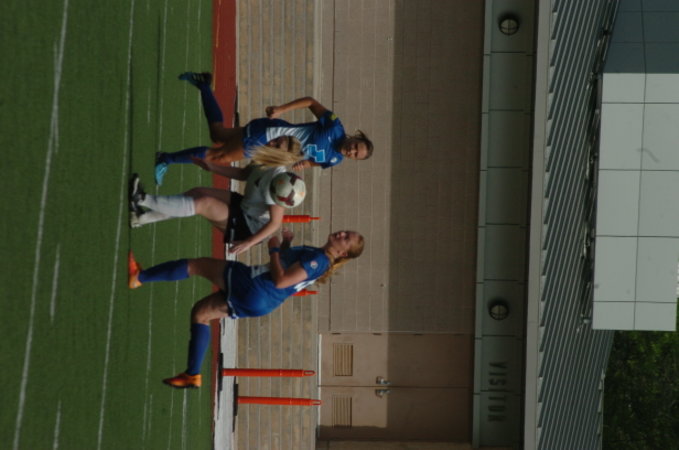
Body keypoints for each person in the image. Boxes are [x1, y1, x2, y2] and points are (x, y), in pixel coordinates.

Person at [127, 228, 365, 388]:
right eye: (345, 231)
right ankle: (192, 374)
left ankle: (140, 277)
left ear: (343, 252)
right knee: (201, 313)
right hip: (261, 301)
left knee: (198, 265)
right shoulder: (319, 256)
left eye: (346, 238)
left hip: (256, 287)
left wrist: (273, 249)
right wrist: (285, 244)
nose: (341, 233)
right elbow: (286, 268)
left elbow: (281, 280)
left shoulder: (319, 260)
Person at [154, 72, 374, 184]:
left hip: (272, 147)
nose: (352, 151)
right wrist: (281, 109)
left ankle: (203, 84)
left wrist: (303, 164)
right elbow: (310, 102)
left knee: (219, 135)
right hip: (272, 135)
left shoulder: (335, 159)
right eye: (356, 146)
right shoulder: (334, 126)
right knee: (220, 156)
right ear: (355, 137)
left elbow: (314, 162)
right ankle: (165, 159)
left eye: (355, 154)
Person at [129, 160, 287, 255]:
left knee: (204, 204)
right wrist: (212, 167)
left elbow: (275, 223)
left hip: (251, 226)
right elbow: (243, 174)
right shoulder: (267, 159)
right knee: (197, 193)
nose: (272, 141)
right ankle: (141, 218)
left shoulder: (278, 178)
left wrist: (248, 243)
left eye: (278, 142)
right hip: (245, 205)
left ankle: (142, 198)